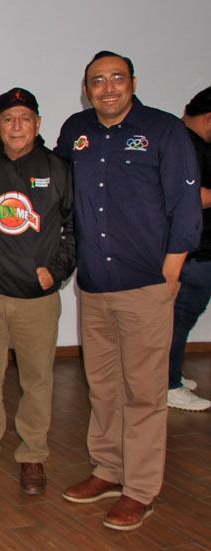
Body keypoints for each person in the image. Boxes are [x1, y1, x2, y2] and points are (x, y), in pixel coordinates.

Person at [57, 51, 200, 530]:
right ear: (86, 89)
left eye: (117, 78)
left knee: (143, 393)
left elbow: (185, 206)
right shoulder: (75, 130)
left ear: (133, 82)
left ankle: (140, 489)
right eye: (98, 80)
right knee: (102, 386)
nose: (108, 88)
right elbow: (51, 182)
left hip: (146, 285)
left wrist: (171, 273)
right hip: (94, 285)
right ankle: (108, 469)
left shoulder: (165, 131)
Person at [0, 88, 75, 495]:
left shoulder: (57, 168)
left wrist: (56, 271)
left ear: (38, 124)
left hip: (37, 298)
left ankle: (32, 455)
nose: (16, 126)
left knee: (37, 379)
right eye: (8, 119)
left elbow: (76, 227)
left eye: (25, 118)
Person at [167, 86, 211, 412]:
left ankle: (171, 375)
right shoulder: (184, 145)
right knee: (177, 320)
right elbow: (188, 196)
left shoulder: (190, 143)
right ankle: (167, 384)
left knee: (181, 318)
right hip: (190, 254)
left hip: (195, 252)